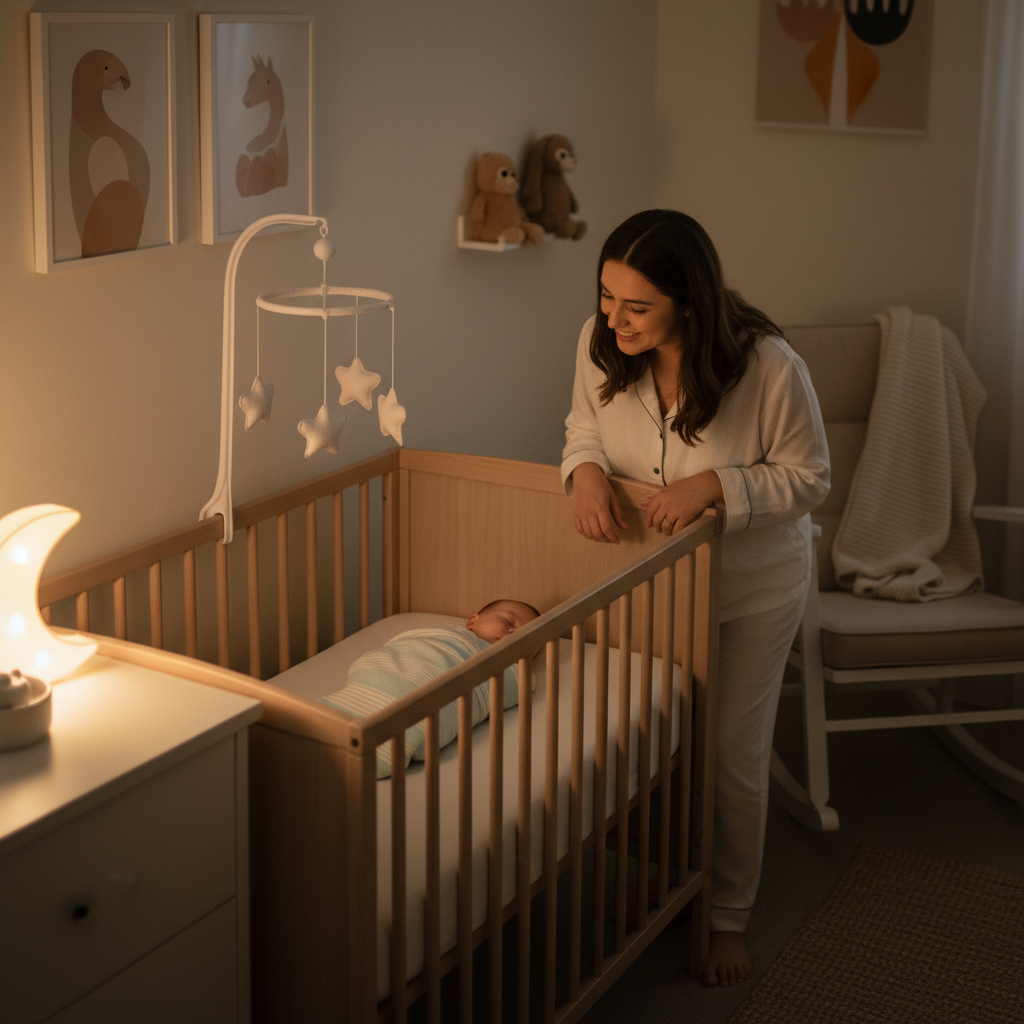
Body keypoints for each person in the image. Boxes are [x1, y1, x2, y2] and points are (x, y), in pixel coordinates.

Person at [561, 210, 830, 987]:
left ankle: (727, 914)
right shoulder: (599, 343)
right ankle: (674, 877)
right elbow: (583, 426)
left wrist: (715, 484)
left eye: (635, 306)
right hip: (655, 583)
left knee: (730, 754)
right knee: (655, 739)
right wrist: (583, 472)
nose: (614, 319)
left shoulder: (770, 367)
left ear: (688, 302)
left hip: (752, 586)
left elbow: (811, 479)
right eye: (606, 296)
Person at [321, 600, 539, 778]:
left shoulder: (506, 671)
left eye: (525, 637)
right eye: (508, 621)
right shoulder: (441, 634)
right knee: (373, 683)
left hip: (430, 691)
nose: (513, 632)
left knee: (419, 707)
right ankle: (336, 716)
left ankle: (377, 745)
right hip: (395, 666)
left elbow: (520, 685)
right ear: (472, 621)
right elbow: (402, 645)